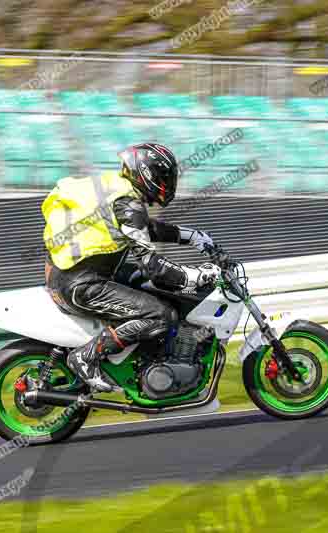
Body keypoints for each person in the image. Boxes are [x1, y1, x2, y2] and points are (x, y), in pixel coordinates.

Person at [43, 143, 221, 392]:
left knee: (150, 289)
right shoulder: (128, 205)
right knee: (161, 315)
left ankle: (147, 359)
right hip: (82, 285)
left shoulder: (117, 188)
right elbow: (155, 267)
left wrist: (193, 236)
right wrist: (196, 275)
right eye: (164, 177)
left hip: (70, 274)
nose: (168, 182)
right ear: (147, 174)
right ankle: (86, 357)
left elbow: (143, 229)